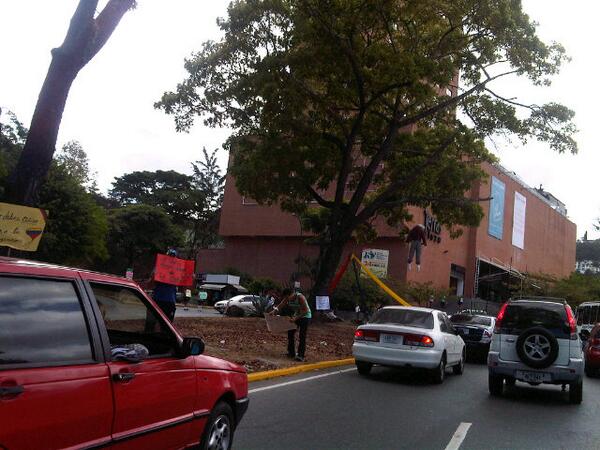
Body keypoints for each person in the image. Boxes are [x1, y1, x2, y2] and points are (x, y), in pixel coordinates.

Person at [272, 288, 312, 362]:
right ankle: (291, 353)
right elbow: (281, 305)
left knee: (302, 336)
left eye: (287, 297)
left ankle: (301, 355)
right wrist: (274, 311)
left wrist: (295, 318)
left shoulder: (300, 297)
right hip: (296, 316)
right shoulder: (287, 298)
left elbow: (306, 311)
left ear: (291, 294)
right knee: (290, 333)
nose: (287, 299)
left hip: (305, 317)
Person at [151, 248, 179, 322]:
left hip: (170, 302)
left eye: (173, 257)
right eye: (169, 256)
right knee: (152, 323)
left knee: (167, 325)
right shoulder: (158, 267)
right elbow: (150, 284)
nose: (171, 259)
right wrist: (154, 275)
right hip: (158, 299)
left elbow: (184, 287)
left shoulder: (178, 271)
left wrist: (189, 277)